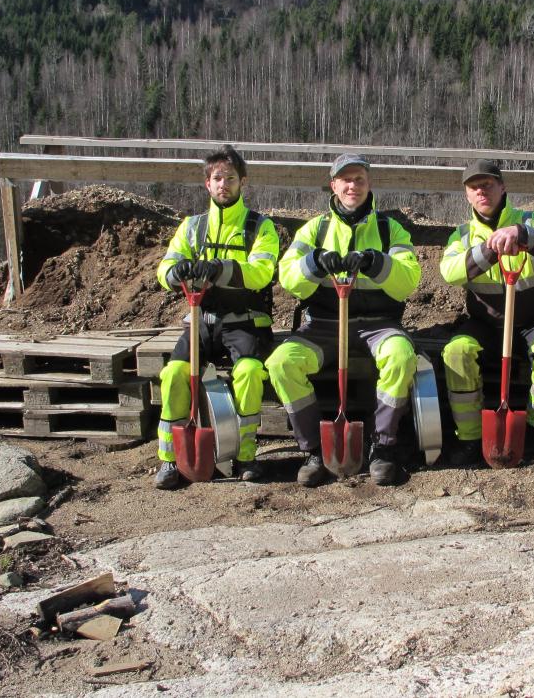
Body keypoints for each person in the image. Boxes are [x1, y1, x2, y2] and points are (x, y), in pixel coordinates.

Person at [265, 154, 421, 487]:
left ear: (369, 184)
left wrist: (374, 262)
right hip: (324, 324)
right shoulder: (314, 229)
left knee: (401, 356)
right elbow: (289, 277)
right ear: (333, 185)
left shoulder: (389, 229)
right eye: (345, 180)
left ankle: (383, 446)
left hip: (378, 323)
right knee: (281, 363)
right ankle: (313, 451)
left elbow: (408, 279)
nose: (353, 186)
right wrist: (315, 263)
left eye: (360, 179)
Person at [439, 158, 534, 466]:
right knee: (456, 352)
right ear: (466, 194)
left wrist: (523, 235)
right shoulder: (461, 235)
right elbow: (449, 272)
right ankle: (471, 436)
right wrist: (489, 251)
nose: (481, 192)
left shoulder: (532, 220)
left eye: (487, 184)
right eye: (474, 187)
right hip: (486, 324)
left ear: (502, 187)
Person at [153, 145, 279, 489]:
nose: (224, 184)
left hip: (243, 320)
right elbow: (164, 268)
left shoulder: (260, 227)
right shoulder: (191, 228)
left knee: (251, 372)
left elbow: (261, 272)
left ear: (243, 182)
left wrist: (220, 269)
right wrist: (174, 272)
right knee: (174, 373)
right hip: (200, 315)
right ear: (207, 184)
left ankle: (247, 454)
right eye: (218, 178)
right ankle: (170, 458)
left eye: (231, 178)